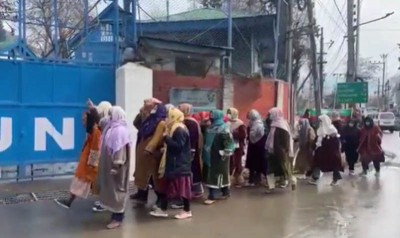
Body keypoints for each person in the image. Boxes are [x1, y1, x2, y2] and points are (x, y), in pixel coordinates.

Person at [150, 108, 193, 219]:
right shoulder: (174, 128)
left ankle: (187, 210)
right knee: (166, 186)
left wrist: (166, 138)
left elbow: (178, 147)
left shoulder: (179, 129)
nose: (167, 119)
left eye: (169, 116)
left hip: (179, 164)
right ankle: (163, 209)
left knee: (182, 188)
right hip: (174, 164)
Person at [55, 107, 101, 208]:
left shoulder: (96, 132)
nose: (82, 121)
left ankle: (104, 203)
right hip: (87, 164)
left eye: (84, 119)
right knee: (81, 182)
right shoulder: (91, 132)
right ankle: (69, 201)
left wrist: (91, 165)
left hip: (90, 165)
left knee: (89, 183)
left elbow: (95, 150)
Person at [98, 106, 132, 229]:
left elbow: (120, 150)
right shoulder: (111, 128)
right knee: (112, 191)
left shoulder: (120, 131)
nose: (109, 117)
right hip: (109, 165)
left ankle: (118, 218)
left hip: (117, 168)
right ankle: (115, 215)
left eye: (111, 114)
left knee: (118, 191)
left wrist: (117, 165)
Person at [131, 98, 167, 206]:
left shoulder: (160, 121)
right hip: (142, 150)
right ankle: (142, 195)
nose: (145, 103)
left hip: (151, 154)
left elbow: (157, 137)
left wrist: (149, 148)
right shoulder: (149, 119)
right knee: (142, 175)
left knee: (152, 177)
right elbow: (137, 124)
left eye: (148, 102)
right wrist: (141, 113)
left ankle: (161, 200)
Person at [203, 110, 235, 205]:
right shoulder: (210, 127)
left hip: (220, 156)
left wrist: (226, 151)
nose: (211, 117)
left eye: (213, 116)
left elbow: (229, 142)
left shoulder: (224, 128)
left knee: (217, 175)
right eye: (210, 115)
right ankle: (225, 192)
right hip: (209, 155)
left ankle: (213, 195)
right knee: (213, 174)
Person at [264, 107, 295, 192]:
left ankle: (292, 181)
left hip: (280, 152)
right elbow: (270, 138)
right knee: (270, 170)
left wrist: (282, 151)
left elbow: (286, 142)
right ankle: (271, 187)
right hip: (272, 151)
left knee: (284, 169)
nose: (269, 116)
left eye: (271, 114)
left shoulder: (282, 126)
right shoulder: (273, 124)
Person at [309, 114, 343, 186]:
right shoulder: (320, 130)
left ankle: (335, 179)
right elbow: (317, 140)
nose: (320, 123)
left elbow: (335, 142)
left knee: (334, 165)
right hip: (321, 151)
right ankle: (315, 177)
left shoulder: (332, 130)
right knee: (317, 164)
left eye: (321, 121)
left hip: (331, 152)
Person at [179, 103, 203, 198]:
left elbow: (193, 137)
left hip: (191, 150)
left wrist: (191, 150)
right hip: (189, 150)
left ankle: (197, 190)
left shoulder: (191, 122)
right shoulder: (186, 121)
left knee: (193, 169)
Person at [245, 109, 267, 186]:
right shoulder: (252, 123)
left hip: (258, 146)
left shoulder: (259, 124)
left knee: (258, 163)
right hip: (253, 146)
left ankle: (257, 180)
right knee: (252, 164)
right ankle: (253, 180)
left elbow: (260, 134)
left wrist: (254, 140)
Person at [226, 108, 247, 188]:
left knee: (237, 162)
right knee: (230, 162)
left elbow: (243, 135)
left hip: (237, 146)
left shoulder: (240, 124)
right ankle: (230, 179)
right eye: (228, 112)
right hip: (228, 145)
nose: (228, 114)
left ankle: (238, 179)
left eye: (230, 113)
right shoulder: (227, 122)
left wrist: (233, 134)